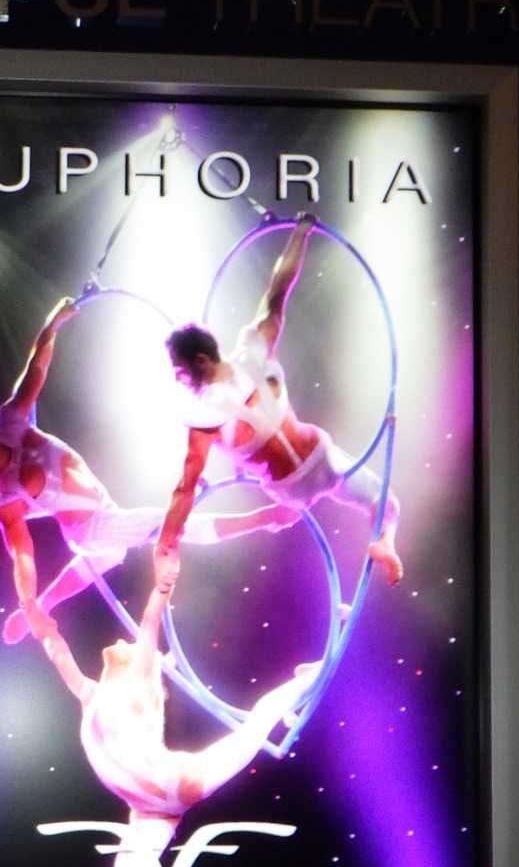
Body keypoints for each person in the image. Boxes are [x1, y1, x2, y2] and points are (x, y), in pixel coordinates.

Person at [25, 584, 318, 867]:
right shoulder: (90, 692)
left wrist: (166, 571)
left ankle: (309, 678)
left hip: (173, 785)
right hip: (150, 810)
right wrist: (34, 612)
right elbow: (54, 645)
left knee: (260, 720)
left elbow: (150, 619)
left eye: (128, 646)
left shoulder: (139, 682)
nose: (120, 639)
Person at [0, 292, 298, 642]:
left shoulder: (10, 421)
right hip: (91, 528)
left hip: (103, 512)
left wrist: (52, 324)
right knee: (168, 526)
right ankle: (265, 518)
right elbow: (22, 554)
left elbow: (35, 370)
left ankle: (42, 606)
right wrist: (27, 602)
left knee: (99, 557)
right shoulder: (4, 499)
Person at [152, 216, 403, 595]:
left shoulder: (205, 415)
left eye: (180, 371)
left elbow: (185, 490)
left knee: (275, 514)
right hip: (322, 458)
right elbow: (278, 289)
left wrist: (165, 544)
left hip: (290, 489)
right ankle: (384, 541)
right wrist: (300, 233)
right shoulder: (254, 349)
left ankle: (336, 570)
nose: (178, 380)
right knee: (386, 502)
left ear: (200, 361)